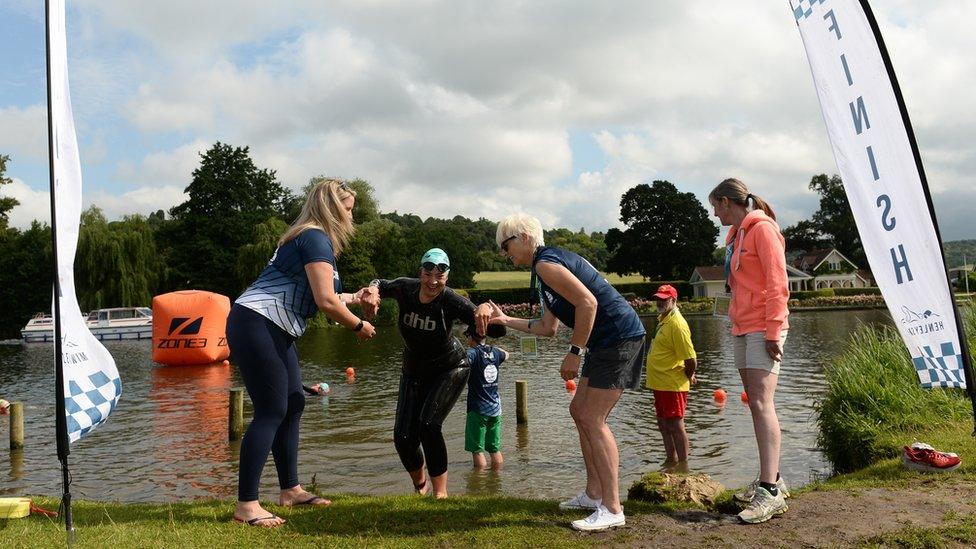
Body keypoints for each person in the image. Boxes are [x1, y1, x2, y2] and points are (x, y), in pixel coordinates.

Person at [226, 178, 376, 528]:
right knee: (271, 409)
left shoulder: (311, 240)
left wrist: (357, 297)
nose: (351, 218)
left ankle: (290, 490)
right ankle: (246, 505)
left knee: (294, 403)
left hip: (269, 326)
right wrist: (359, 326)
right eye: (348, 210)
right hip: (258, 323)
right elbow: (325, 303)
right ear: (332, 208)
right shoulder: (315, 238)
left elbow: (321, 294)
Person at [487, 213, 646, 532]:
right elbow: (547, 328)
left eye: (506, 246)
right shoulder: (542, 270)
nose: (506, 255)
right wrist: (505, 321)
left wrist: (575, 352)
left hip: (618, 337)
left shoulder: (546, 264)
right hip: (606, 340)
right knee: (580, 411)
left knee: (592, 418)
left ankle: (612, 508)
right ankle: (593, 494)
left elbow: (588, 304)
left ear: (525, 238)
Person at [359, 248, 503, 498]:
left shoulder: (451, 301)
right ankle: (420, 487)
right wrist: (372, 288)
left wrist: (484, 309)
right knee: (403, 437)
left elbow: (498, 332)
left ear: (447, 277)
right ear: (420, 272)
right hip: (413, 369)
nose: (433, 281)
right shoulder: (406, 288)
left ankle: (441, 494)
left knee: (429, 425)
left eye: (440, 275)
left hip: (450, 367)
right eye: (428, 273)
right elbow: (380, 283)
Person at [708, 177, 791, 524]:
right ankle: (770, 478)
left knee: (760, 403)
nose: (715, 214)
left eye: (715, 207)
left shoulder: (763, 230)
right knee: (755, 403)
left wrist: (773, 330)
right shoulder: (737, 235)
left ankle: (769, 491)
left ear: (728, 201)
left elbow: (777, 283)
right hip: (742, 327)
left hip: (763, 328)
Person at [645, 284, 697, 469]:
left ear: (674, 301)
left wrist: (688, 375)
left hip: (671, 383)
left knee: (675, 425)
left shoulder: (677, 324)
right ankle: (671, 461)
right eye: (658, 298)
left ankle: (683, 467)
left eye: (664, 299)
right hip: (660, 382)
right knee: (663, 423)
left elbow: (690, 359)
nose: (660, 302)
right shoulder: (664, 318)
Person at [463, 325, 509, 470]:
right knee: (494, 448)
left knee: (477, 450)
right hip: (496, 409)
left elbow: (461, 360)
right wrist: (490, 349)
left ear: (471, 337)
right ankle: (496, 478)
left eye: (467, 337)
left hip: (478, 409)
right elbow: (507, 354)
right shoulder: (495, 352)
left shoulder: (472, 353)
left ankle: (480, 484)